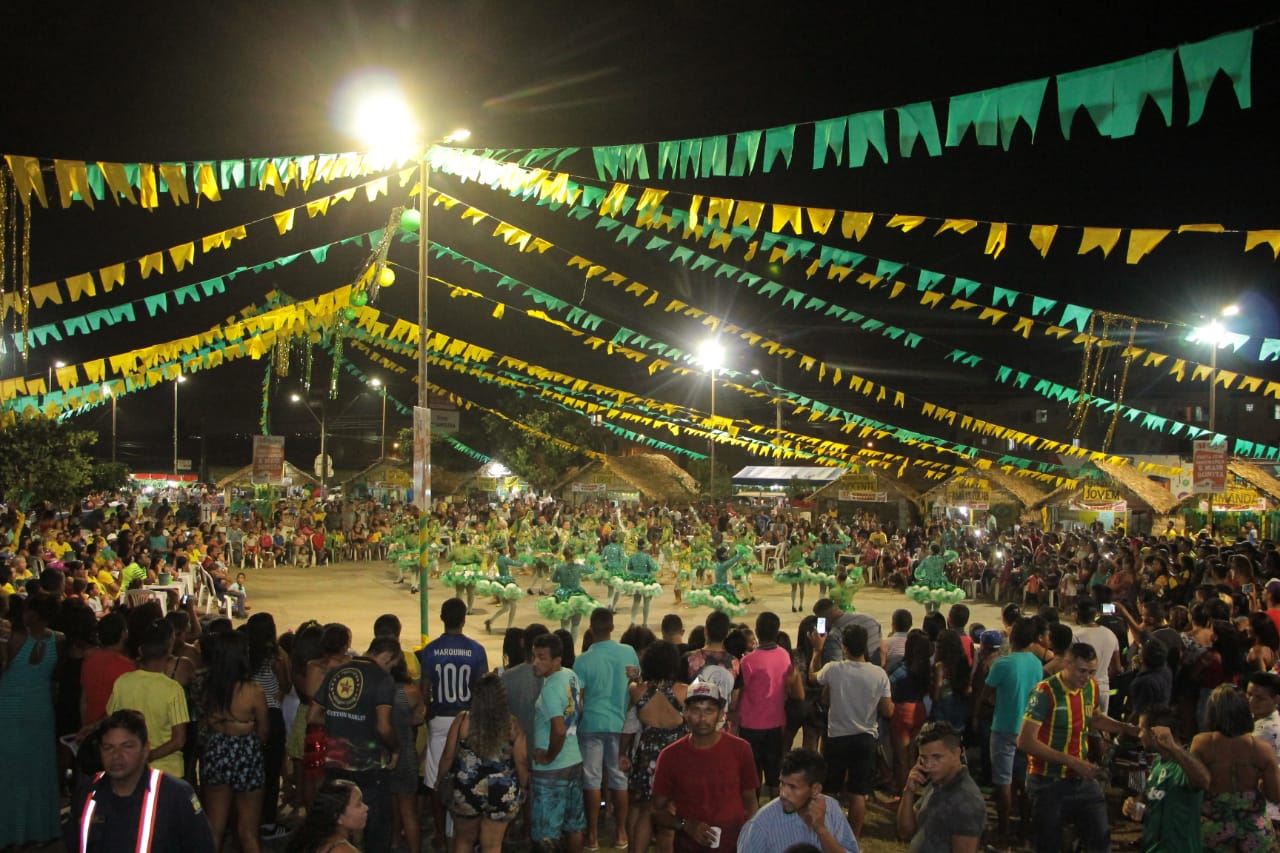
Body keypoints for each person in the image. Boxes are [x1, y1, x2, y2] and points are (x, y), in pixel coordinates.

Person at [1018, 641, 1140, 853]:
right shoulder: (1044, 692)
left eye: (1092, 672)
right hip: (1047, 782)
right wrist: (1072, 761)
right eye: (1082, 671)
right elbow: (1025, 741)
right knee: (1049, 844)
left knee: (1100, 840)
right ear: (1066, 664)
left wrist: (1125, 728)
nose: (1087, 677)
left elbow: (1093, 717)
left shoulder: (1089, 687)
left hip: (1081, 779)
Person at [78, 709, 217, 852]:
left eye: (127, 746)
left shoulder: (175, 795)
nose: (116, 756)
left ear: (145, 750)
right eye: (108, 748)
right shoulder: (88, 792)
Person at [310, 636, 400, 853]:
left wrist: (339, 719)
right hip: (368, 766)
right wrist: (395, 749)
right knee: (376, 826)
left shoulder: (335, 672)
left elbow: (313, 716)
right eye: (391, 665)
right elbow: (383, 727)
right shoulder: (381, 679)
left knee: (339, 822)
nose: (390, 670)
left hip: (335, 761)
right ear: (387, 657)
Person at [651, 679, 760, 852]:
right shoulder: (670, 756)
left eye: (709, 710)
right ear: (685, 713)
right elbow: (657, 810)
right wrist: (685, 825)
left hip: (734, 845)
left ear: (720, 714)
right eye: (696, 710)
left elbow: (750, 800)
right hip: (688, 847)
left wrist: (750, 837)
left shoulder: (741, 749)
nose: (702, 718)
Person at [809, 623, 892, 838]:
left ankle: (827, 833)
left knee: (830, 791)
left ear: (844, 647)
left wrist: (818, 650)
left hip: (837, 738)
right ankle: (853, 838)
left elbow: (812, 677)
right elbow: (887, 709)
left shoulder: (834, 669)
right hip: (865, 738)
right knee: (858, 792)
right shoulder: (879, 674)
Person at [418, 595, 489, 845]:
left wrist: (428, 715)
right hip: (468, 721)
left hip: (440, 719)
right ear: (464, 619)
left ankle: (440, 834)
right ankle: (468, 833)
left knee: (438, 780)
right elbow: (483, 689)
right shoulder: (476, 650)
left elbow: (425, 690)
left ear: (441, 619)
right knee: (469, 776)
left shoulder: (430, 651)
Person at [438, 672, 529, 853]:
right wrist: (525, 786)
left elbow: (448, 756)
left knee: (463, 841)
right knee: (493, 845)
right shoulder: (511, 725)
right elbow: (521, 762)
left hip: (466, 788)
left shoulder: (463, 720)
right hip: (502, 790)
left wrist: (440, 779)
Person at [573, 607, 639, 850]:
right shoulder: (628, 652)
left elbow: (578, 698)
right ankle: (621, 833)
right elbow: (636, 682)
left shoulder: (582, 660)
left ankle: (592, 835)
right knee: (619, 778)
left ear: (591, 628)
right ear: (612, 627)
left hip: (590, 724)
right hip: (619, 724)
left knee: (591, 779)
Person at [0, 594, 63, 849]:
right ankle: (40, 828)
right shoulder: (57, 640)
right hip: (41, 710)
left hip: (9, 709)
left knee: (10, 771)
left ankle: (10, 831)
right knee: (39, 770)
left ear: (33, 613)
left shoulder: (12, 639)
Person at [201, 630, 269, 853]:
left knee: (214, 829)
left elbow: (208, 721)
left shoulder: (208, 685)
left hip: (217, 751)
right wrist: (245, 729)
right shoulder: (253, 690)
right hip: (247, 753)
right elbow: (264, 729)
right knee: (248, 831)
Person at [1190, 684, 1280, 851]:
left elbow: (1194, 784)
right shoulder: (1262, 749)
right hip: (1254, 828)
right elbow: (1275, 795)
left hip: (1214, 827)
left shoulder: (1201, 743)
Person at [976, 616, 1041, 842]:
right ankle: (1024, 825)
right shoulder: (1035, 662)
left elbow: (985, 695)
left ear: (1011, 637)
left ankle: (1003, 829)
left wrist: (976, 716)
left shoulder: (1003, 663)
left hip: (1004, 727)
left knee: (1003, 780)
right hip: (1028, 729)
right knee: (1023, 780)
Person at [624, 639, 689, 853]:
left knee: (644, 809)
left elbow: (630, 725)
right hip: (675, 756)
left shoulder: (637, 690)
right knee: (669, 813)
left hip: (646, 755)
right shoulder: (683, 692)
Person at [107, 619, 190, 778]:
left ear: (140, 651)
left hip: (131, 768)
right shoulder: (173, 689)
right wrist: (148, 756)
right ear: (169, 650)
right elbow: (179, 740)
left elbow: (112, 719)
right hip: (167, 771)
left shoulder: (123, 682)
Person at [1121, 705, 1209, 853]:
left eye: (1142, 729)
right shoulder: (1157, 763)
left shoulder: (1184, 766)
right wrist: (1133, 803)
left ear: (1157, 732)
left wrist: (1173, 747)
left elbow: (1204, 781)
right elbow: (1150, 796)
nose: (1139, 735)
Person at [737, 748, 859, 852]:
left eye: (792, 787)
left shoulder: (832, 809)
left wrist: (821, 830)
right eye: (782, 783)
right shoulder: (760, 825)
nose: (783, 794)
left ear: (815, 789)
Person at [529, 631, 586, 852]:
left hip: (552, 768)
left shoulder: (551, 688)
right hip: (574, 760)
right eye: (534, 656)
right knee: (574, 825)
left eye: (542, 657)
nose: (535, 662)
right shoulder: (570, 675)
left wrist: (547, 756)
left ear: (556, 660)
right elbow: (580, 706)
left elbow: (559, 729)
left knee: (546, 834)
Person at [738, 611, 802, 796]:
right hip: (776, 722)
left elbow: (742, 691)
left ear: (757, 631)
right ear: (777, 631)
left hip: (750, 724)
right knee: (774, 772)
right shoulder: (784, 655)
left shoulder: (747, 660)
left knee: (753, 772)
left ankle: (754, 812)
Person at [895, 721, 985, 852]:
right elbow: (905, 832)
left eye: (937, 757)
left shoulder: (967, 801)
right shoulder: (938, 782)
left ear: (956, 754)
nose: (929, 765)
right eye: (924, 758)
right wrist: (908, 791)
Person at [286, 778, 369, 853]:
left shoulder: (311, 837)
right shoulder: (343, 850)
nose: (366, 807)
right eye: (358, 804)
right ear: (338, 816)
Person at [1072, 598, 1121, 714]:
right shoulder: (1110, 634)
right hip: (1103, 689)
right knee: (1102, 728)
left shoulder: (1075, 636)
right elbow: (1117, 668)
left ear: (1077, 615)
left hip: (1082, 689)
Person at [1245, 671, 1280, 827]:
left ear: (1276, 699)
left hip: (1267, 810)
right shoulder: (1256, 720)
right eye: (1249, 694)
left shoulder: (1267, 729)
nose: (1251, 701)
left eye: (1260, 698)